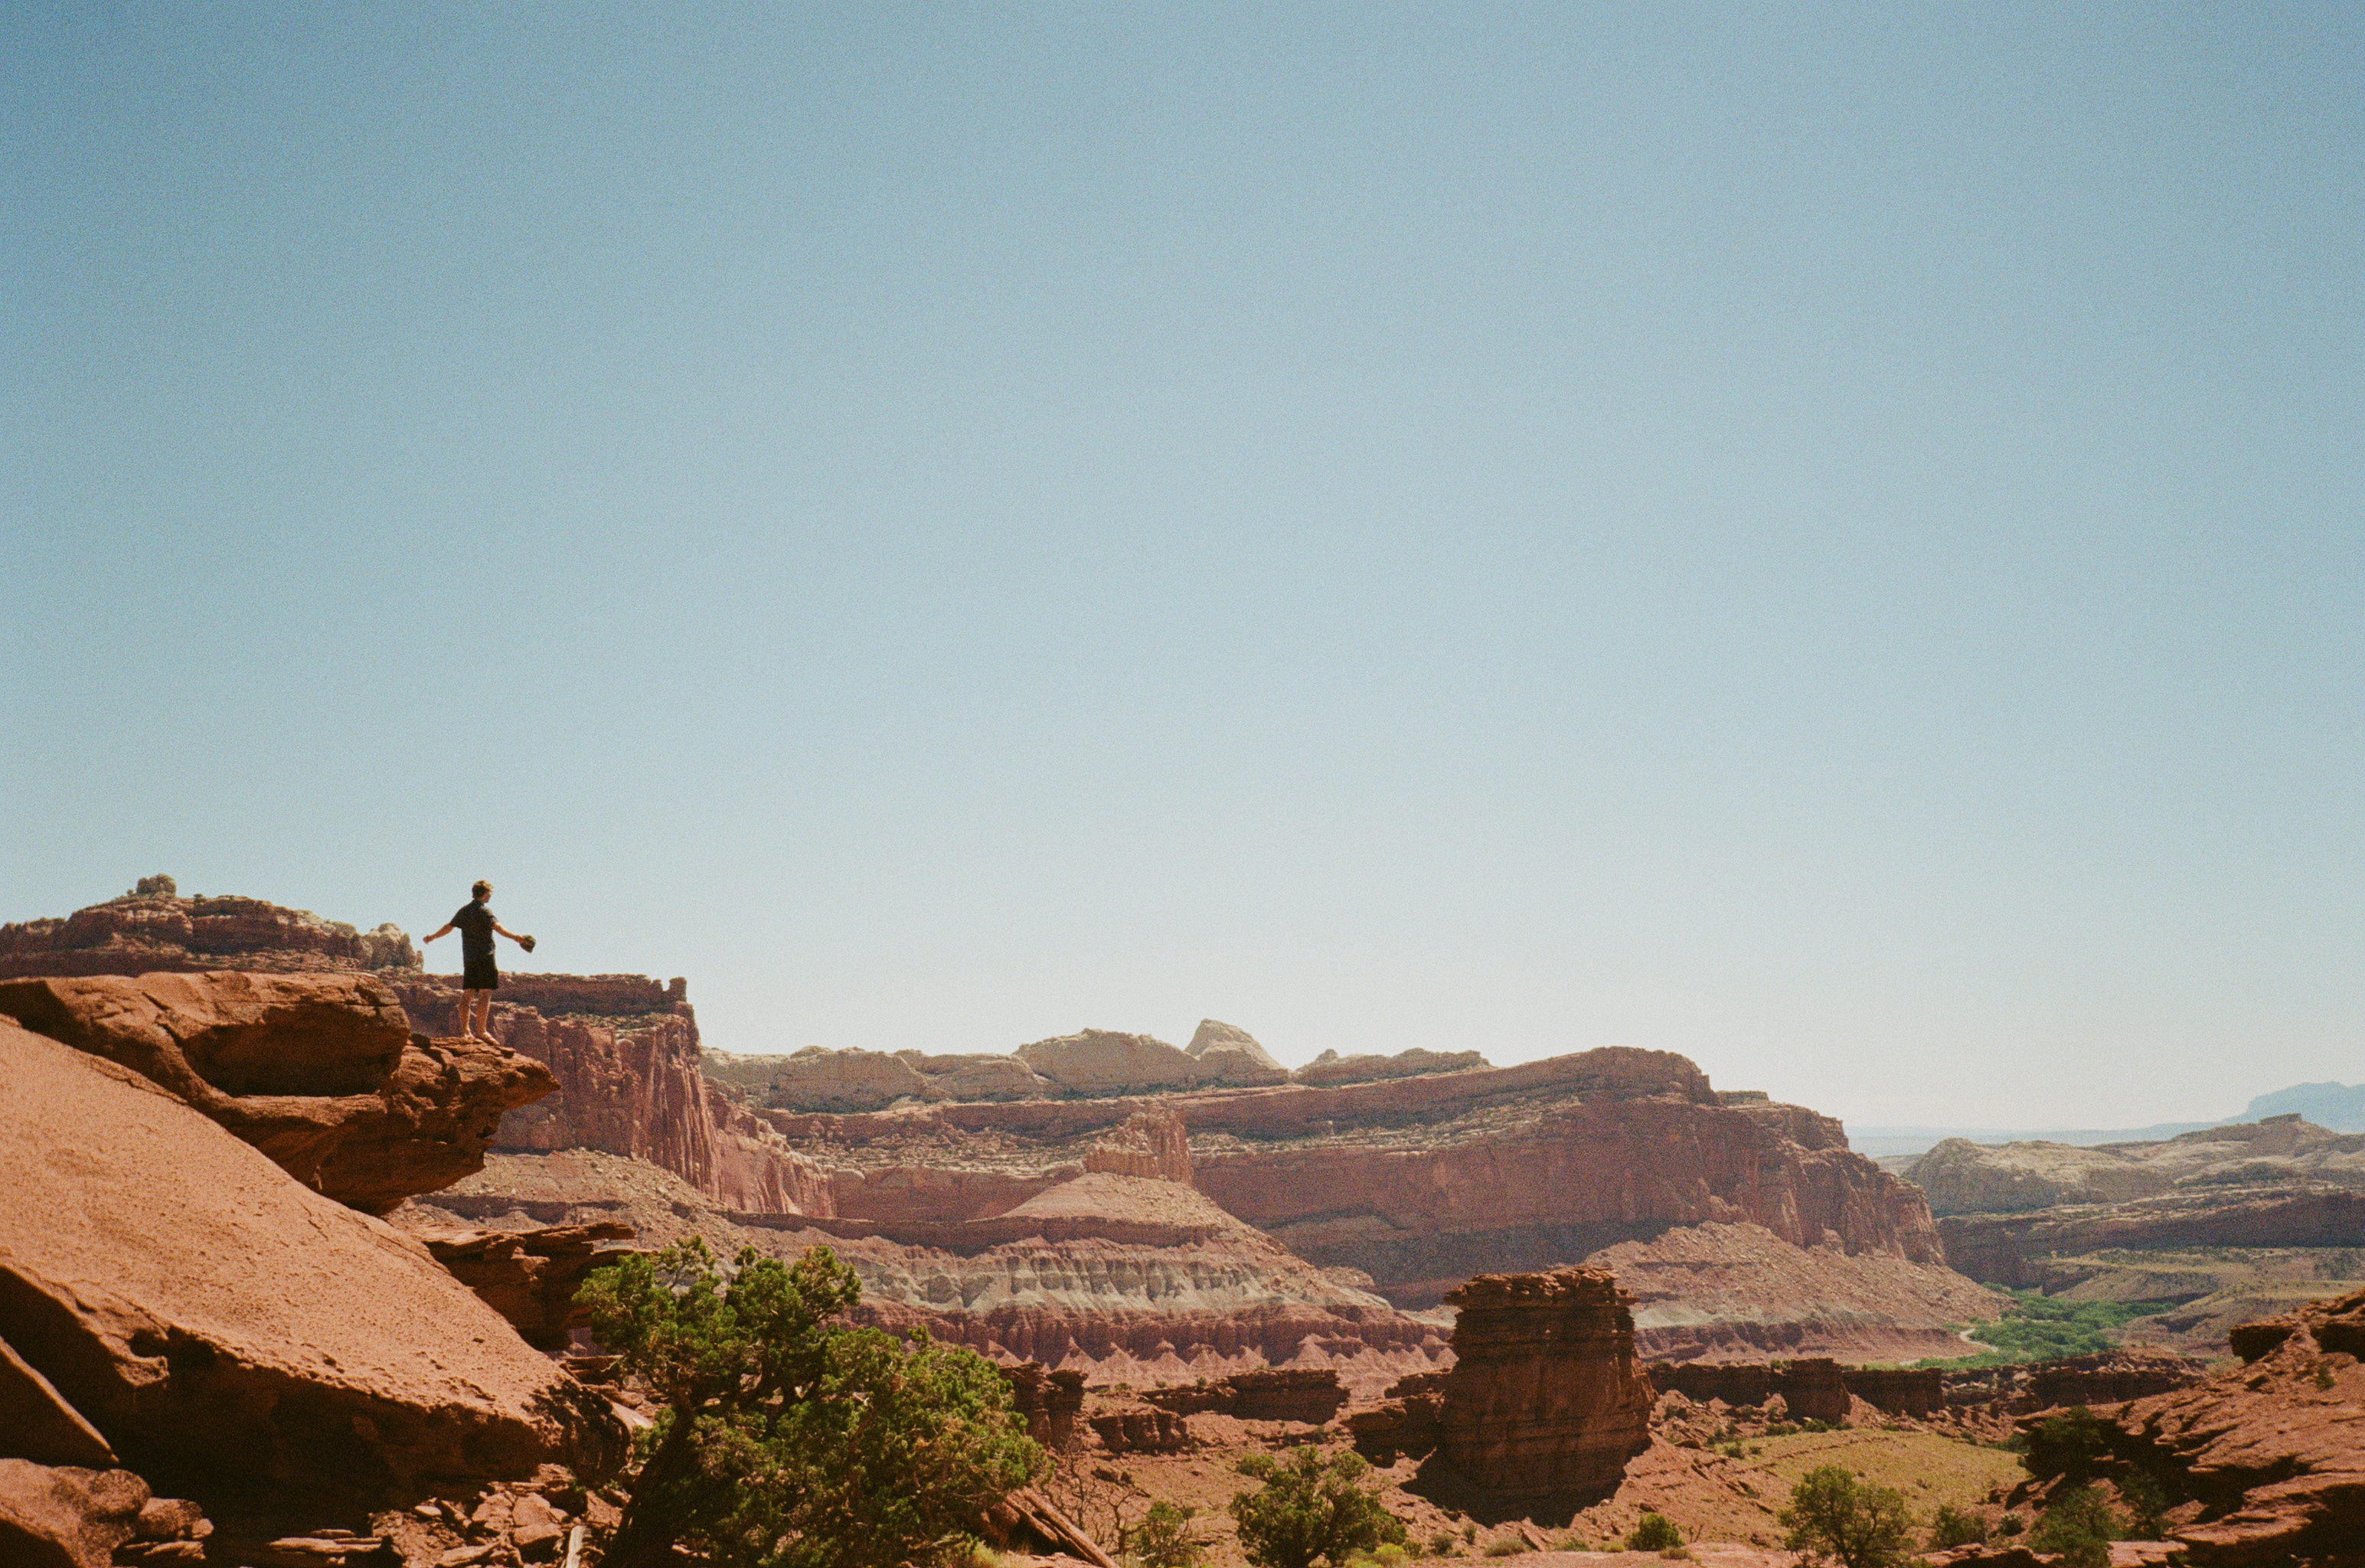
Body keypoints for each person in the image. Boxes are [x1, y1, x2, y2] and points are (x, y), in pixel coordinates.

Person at [420, 880, 534, 1043]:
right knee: (485, 993)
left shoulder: (465, 911)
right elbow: (498, 928)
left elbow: (449, 926)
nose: (491, 896)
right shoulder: (485, 911)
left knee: (468, 994)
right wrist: (517, 938)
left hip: (470, 958)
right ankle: (481, 1031)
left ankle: (466, 1032)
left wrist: (433, 936)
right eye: (490, 892)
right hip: (486, 957)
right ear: (484, 893)